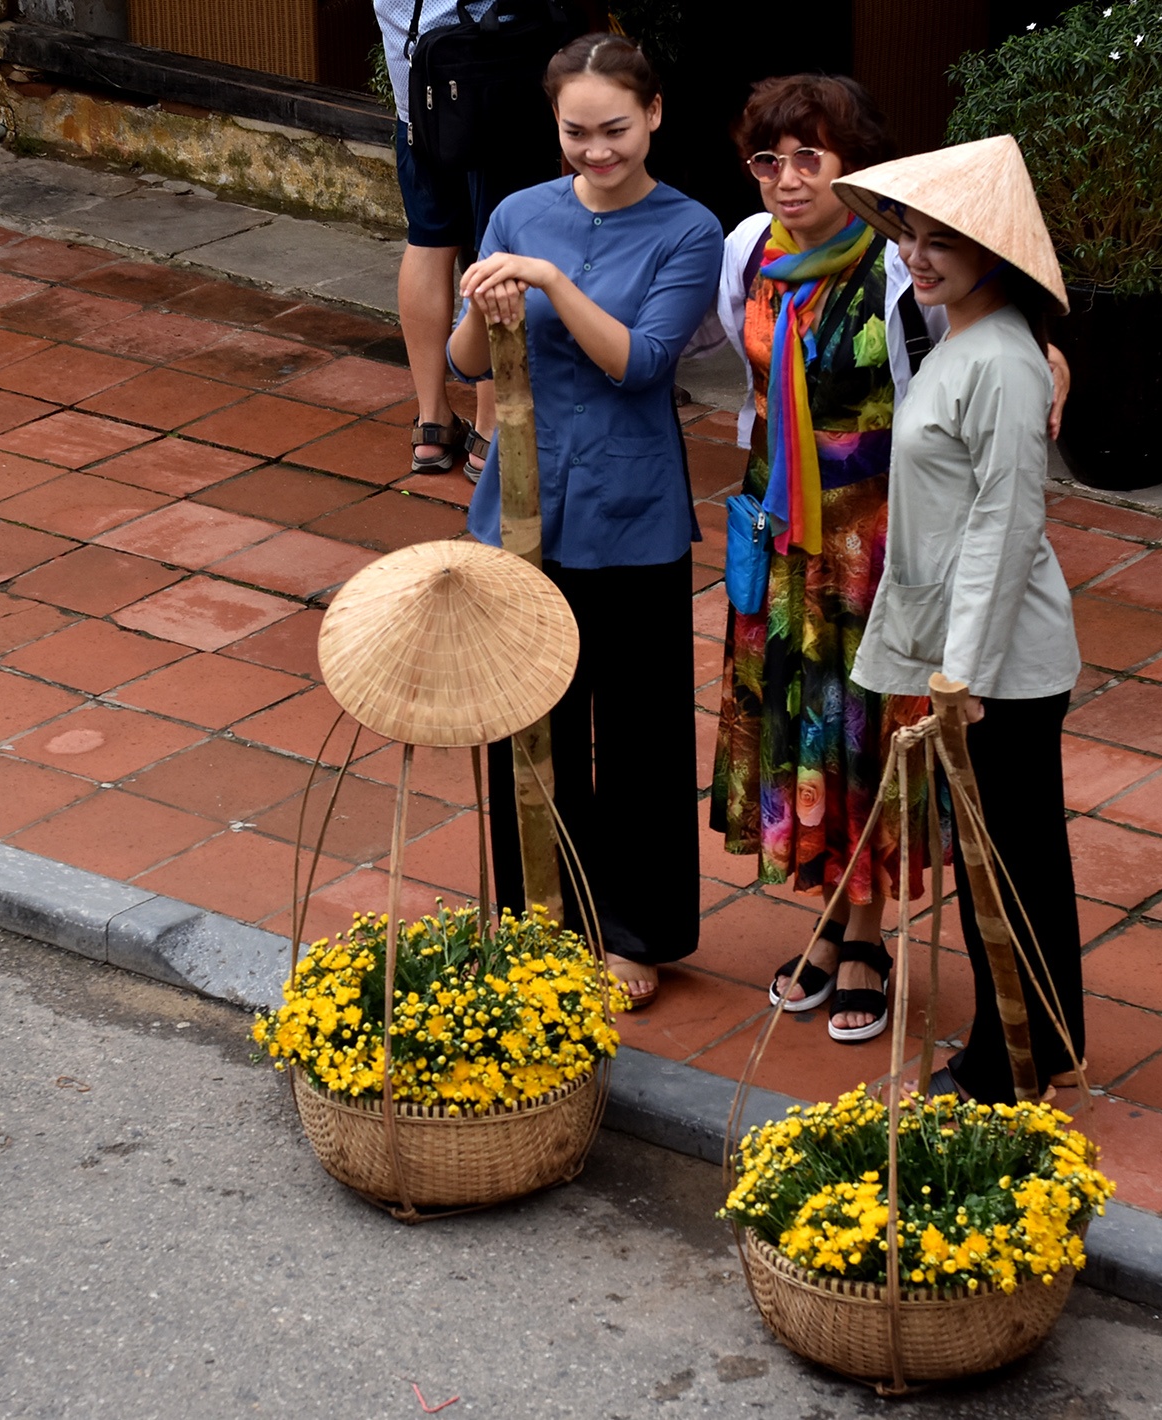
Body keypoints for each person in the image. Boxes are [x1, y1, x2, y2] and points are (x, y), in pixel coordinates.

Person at [700, 77, 1072, 1045]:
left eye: (810, 158)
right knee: (803, 733)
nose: (786, 179)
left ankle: (935, 979)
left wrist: (967, 660)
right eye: (768, 159)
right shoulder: (749, 254)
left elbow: (999, 500)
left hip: (881, 558)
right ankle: (847, 927)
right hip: (788, 538)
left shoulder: (919, 297)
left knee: (874, 747)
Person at [449, 32, 722, 1008]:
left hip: (631, 507)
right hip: (517, 504)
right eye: (576, 132)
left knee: (639, 731)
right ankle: (534, 917)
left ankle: (635, 930)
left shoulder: (689, 230)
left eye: (615, 129)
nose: (597, 151)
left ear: (653, 117)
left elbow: (644, 362)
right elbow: (469, 361)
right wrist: (488, 301)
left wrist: (554, 285)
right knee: (521, 720)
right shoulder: (521, 209)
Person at [835, 135, 1086, 1104]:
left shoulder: (1004, 363)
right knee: (1013, 856)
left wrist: (962, 674)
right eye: (909, 234)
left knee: (1012, 863)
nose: (917, 254)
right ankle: (1031, 1038)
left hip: (1001, 668)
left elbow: (1005, 526)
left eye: (944, 239)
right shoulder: (956, 339)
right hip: (973, 655)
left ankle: (1011, 1055)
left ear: (997, 253)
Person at [374, 0, 560, 480]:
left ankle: (432, 424)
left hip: (418, 84)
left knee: (429, 238)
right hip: (496, 76)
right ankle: (489, 432)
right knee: (498, 246)